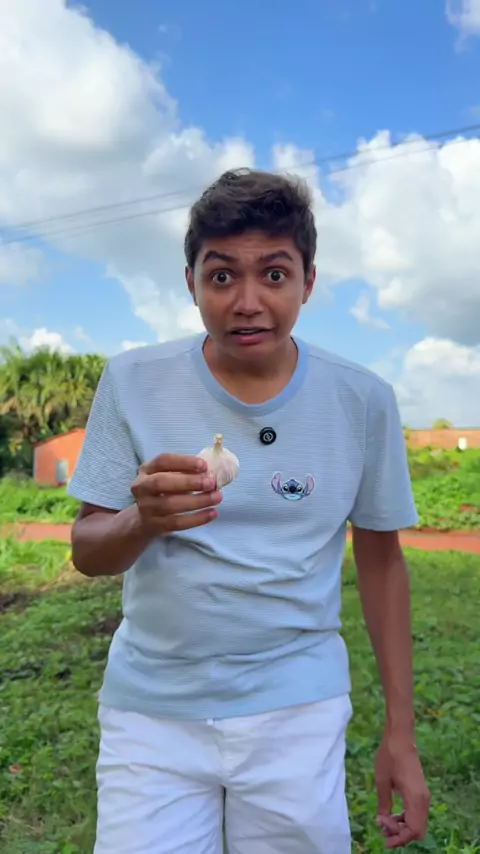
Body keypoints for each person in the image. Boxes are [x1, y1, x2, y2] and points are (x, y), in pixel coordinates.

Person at [68, 168, 430, 854]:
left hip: (298, 708)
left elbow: (383, 564)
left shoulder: (362, 400)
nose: (247, 302)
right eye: (222, 276)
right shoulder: (133, 381)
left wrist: (401, 736)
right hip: (153, 712)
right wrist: (142, 519)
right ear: (191, 283)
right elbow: (88, 550)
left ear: (308, 282)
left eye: (274, 274)